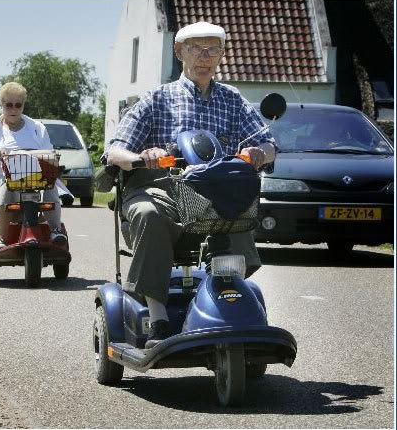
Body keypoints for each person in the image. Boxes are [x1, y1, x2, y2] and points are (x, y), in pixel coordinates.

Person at [105, 21, 277, 348]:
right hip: (161, 187)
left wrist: (260, 152)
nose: (204, 56)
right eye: (196, 48)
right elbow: (114, 151)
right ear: (179, 51)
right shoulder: (157, 98)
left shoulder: (233, 100)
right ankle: (158, 318)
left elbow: (268, 144)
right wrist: (142, 156)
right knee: (148, 213)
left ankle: (227, 299)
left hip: (214, 191)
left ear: (222, 54)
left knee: (239, 209)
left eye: (213, 49)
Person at [0, 81, 67, 251]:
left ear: (23, 105)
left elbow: (49, 155)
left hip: (34, 181)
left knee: (51, 183)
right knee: (7, 184)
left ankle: (55, 230)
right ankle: (0, 239)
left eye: (18, 105)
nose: (14, 109)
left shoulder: (37, 128)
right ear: (0, 104)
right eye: (8, 105)